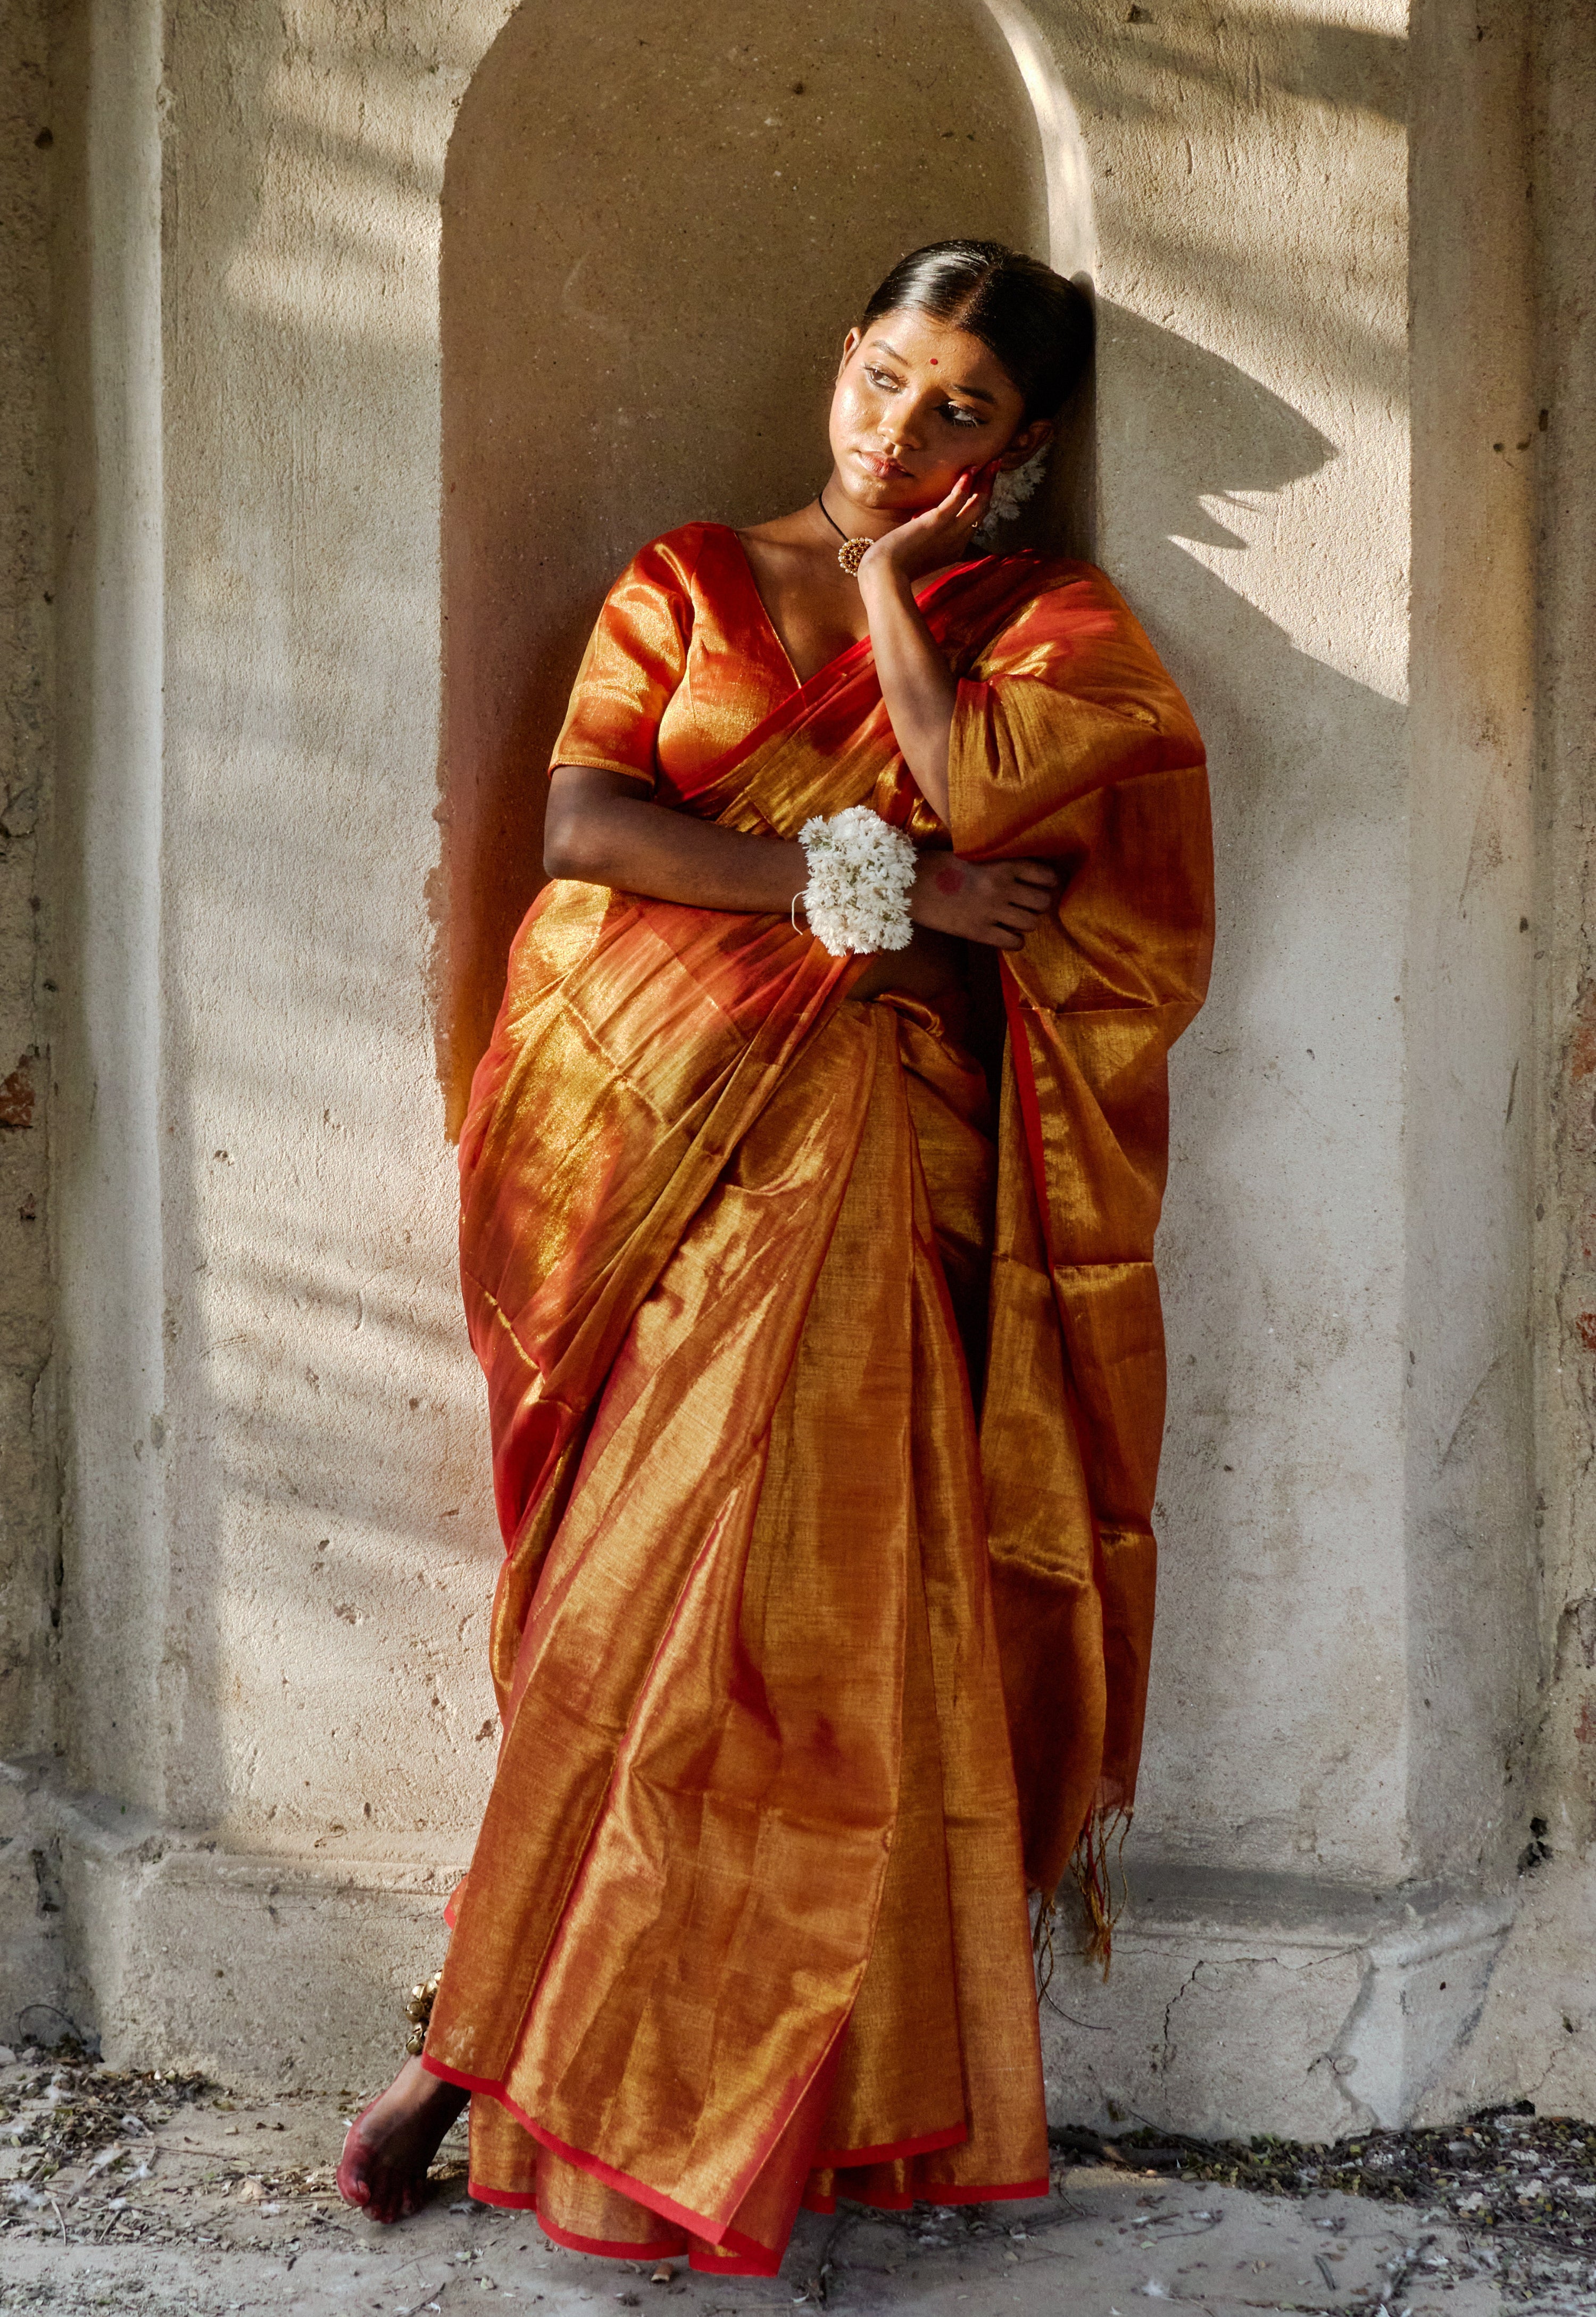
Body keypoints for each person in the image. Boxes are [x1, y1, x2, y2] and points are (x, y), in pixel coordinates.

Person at [337, 240, 1214, 2270]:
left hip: (898, 1194)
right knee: (624, 1622)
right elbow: (582, 829)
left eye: (959, 412)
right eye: (887, 379)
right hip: (688, 1183)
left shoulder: (1053, 624)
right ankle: (478, 2053)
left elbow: (1071, 873)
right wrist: (871, 896)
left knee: (837, 1665)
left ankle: (822, 2112)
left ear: (1024, 448)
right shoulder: (689, 582)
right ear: (841, 358)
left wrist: (902, 588)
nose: (898, 430)